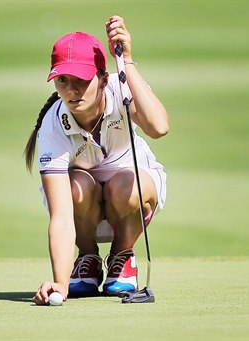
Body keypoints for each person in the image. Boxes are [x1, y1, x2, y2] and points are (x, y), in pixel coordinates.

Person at [24, 16, 169, 305]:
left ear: (103, 79)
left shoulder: (121, 89)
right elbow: (62, 216)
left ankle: (122, 256)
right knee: (76, 186)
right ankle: (87, 259)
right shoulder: (54, 125)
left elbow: (159, 127)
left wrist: (126, 60)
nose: (71, 90)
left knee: (124, 184)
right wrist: (60, 284)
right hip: (83, 211)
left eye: (81, 79)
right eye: (62, 80)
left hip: (130, 199)